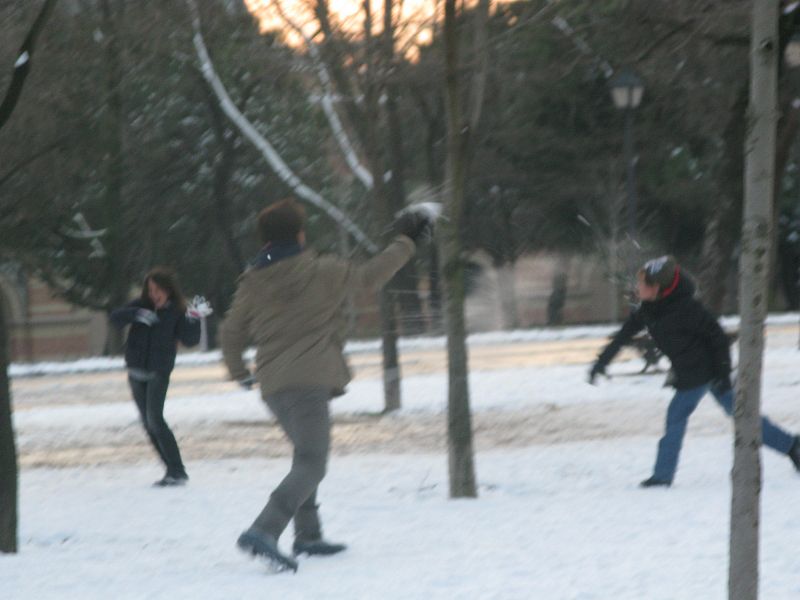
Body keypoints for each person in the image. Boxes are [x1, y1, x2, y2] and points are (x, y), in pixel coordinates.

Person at [221, 198, 430, 572]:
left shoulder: (252, 281)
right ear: (300, 235)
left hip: (273, 384)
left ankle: (309, 535)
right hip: (310, 381)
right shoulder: (323, 271)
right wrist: (407, 241)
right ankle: (264, 529)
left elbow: (231, 331)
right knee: (313, 463)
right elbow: (370, 276)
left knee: (305, 454)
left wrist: (240, 373)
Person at [589, 255, 800, 488]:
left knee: (680, 417)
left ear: (657, 288)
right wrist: (601, 363)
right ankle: (791, 446)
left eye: (642, 284)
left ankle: (662, 476)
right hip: (691, 373)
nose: (637, 288)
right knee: (742, 417)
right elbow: (623, 336)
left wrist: (721, 375)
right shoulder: (649, 310)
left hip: (705, 373)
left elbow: (718, 338)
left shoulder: (687, 309)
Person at [111, 267, 201, 487]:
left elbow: (190, 340)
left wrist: (195, 316)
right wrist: (136, 315)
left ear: (168, 290)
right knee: (148, 423)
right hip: (135, 371)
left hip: (158, 372)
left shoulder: (178, 312)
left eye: (158, 289)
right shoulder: (141, 306)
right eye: (150, 290)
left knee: (155, 419)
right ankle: (171, 470)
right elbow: (115, 318)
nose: (154, 294)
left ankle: (177, 470)